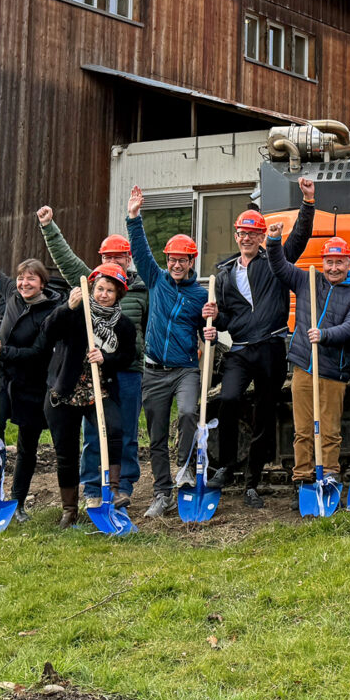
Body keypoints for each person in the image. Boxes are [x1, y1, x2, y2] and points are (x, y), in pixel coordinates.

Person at [202, 178, 315, 508]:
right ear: (236, 236)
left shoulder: (276, 263)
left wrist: (308, 203)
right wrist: (211, 318)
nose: (247, 238)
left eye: (253, 233)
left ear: (261, 236)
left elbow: (299, 238)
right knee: (228, 399)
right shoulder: (223, 273)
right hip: (239, 351)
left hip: (270, 347)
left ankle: (252, 481)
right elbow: (225, 319)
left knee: (264, 414)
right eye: (243, 233)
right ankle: (224, 466)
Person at [36, 207, 148, 509]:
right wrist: (49, 228)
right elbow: (66, 259)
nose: (113, 262)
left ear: (128, 258)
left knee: (122, 432)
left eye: (119, 257)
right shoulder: (94, 283)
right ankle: (90, 487)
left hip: (128, 369)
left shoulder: (142, 287)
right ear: (101, 261)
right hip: (89, 374)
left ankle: (122, 486)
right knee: (92, 433)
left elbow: (151, 325)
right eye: (107, 257)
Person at [23, 264, 138, 526]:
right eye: (99, 288)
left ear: (118, 294)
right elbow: (47, 331)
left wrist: (106, 358)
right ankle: (69, 509)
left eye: (110, 290)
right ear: (92, 288)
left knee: (114, 428)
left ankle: (113, 490)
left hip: (99, 390)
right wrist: (68, 307)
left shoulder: (123, 325)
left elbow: (128, 357)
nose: (103, 294)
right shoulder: (75, 312)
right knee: (66, 451)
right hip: (65, 391)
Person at [125, 186, 209, 519]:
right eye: (172, 258)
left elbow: (209, 332)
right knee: (156, 435)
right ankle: (162, 493)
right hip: (154, 371)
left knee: (189, 413)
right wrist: (134, 217)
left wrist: (212, 326)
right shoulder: (156, 280)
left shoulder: (201, 295)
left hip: (185, 368)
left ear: (191, 262)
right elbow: (141, 250)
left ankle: (186, 467)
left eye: (182, 259)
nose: (175, 264)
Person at [267, 229, 350, 503]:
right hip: (304, 367)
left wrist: (323, 335)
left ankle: (331, 475)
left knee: (330, 430)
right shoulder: (307, 280)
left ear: (349, 263)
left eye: (340, 262)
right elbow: (278, 265)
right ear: (323, 263)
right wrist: (274, 241)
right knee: (302, 430)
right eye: (329, 262)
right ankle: (303, 478)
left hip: (333, 371)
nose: (334, 268)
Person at [0, 214, 58, 521]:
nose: (24, 283)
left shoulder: (50, 313)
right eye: (22, 278)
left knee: (27, 445)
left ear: (42, 283)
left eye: (31, 279)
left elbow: (38, 353)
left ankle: (18, 502)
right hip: (2, 379)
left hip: (32, 384)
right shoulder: (11, 293)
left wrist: (4, 349)